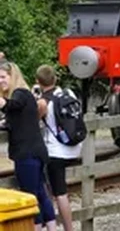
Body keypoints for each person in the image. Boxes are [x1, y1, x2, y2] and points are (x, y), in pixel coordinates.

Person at [0, 61, 57, 230]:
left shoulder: (20, 93)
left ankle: (36, 227)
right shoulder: (26, 94)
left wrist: (2, 102)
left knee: (30, 197)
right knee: (40, 193)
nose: (0, 81)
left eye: (3, 77)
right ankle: (52, 227)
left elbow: (13, 105)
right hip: (36, 151)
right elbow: (16, 118)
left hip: (26, 153)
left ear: (13, 76)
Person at [35, 65, 81, 231]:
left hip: (56, 151)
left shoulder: (43, 102)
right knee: (59, 191)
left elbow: (35, 120)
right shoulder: (68, 93)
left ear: (38, 82)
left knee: (58, 193)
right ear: (55, 78)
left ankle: (67, 228)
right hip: (74, 146)